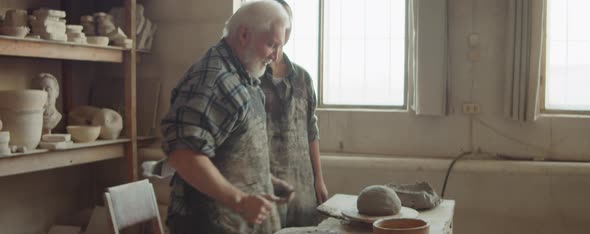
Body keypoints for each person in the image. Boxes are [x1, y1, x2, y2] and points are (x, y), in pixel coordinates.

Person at [159, 1, 291, 233]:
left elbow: (229, 153)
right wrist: (240, 200)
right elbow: (183, 153)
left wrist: (264, 179)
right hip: (206, 225)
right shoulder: (215, 79)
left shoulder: (245, 77)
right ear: (244, 35)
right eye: (272, 45)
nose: (276, 57)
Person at [260, 0, 329, 227]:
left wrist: (318, 179)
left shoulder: (302, 78)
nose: (284, 30)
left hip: (302, 186)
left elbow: (312, 129)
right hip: (266, 185)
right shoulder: (252, 77)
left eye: (288, 24)